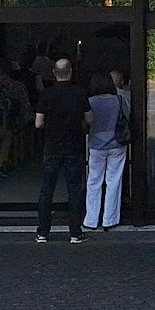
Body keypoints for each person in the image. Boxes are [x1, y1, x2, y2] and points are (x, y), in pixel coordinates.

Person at [34, 58, 91, 243]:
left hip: (51, 147)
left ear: (54, 73)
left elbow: (38, 122)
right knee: (74, 189)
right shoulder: (79, 93)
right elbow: (90, 119)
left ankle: (43, 232)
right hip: (73, 146)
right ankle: (75, 232)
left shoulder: (47, 94)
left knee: (47, 190)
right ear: (71, 72)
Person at [83, 73, 128, 231]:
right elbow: (127, 117)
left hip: (96, 145)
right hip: (117, 144)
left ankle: (91, 219)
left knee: (94, 181)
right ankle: (110, 219)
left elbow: (86, 122)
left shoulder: (90, 102)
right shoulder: (118, 100)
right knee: (114, 181)